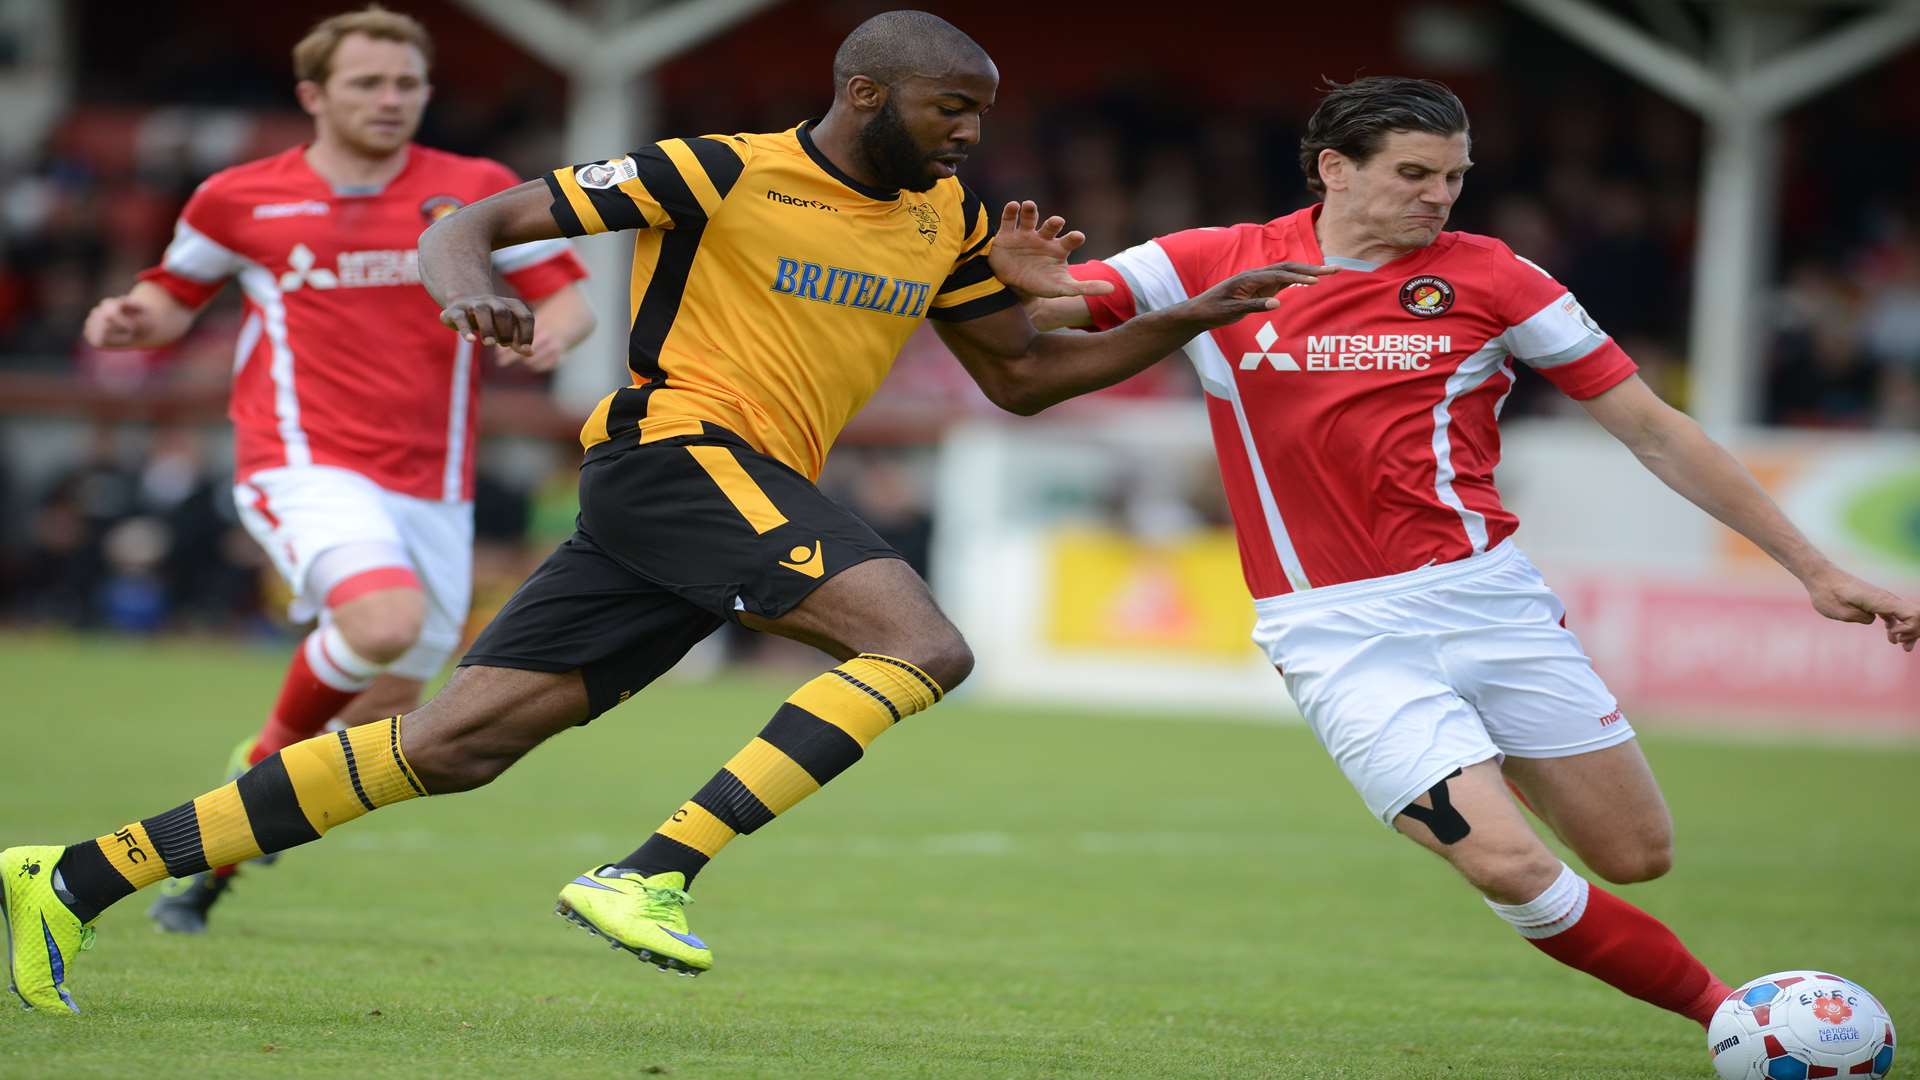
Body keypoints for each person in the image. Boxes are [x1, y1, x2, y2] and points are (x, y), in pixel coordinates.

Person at [2, 9, 1329, 1013]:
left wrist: (1179, 320)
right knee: (924, 648)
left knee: (454, 746)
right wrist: (468, 279)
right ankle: (653, 870)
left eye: (978, 112)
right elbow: (485, 218)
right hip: (676, 446)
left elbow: (1025, 376)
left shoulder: (948, 215)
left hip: (721, 488)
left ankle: (74, 875)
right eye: (948, 107)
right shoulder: (719, 169)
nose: (970, 132)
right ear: (864, 92)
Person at [989, 75, 1920, 1046]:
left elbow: (1655, 432)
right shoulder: (1218, 262)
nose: (1438, 196)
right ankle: (1733, 1019)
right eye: (1416, 173)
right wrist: (1014, 279)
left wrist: (1814, 569)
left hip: (1490, 604)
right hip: (1338, 634)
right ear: (1333, 170)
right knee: (1510, 867)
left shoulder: (1495, 276)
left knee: (1637, 853)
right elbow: (1056, 308)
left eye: (1454, 177)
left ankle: (1472, 759)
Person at [76, 6, 594, 934]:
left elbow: (568, 300)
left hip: (433, 486)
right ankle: (262, 763)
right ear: (314, 94)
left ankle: (208, 865)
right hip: (301, 460)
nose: (390, 99)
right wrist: (129, 318)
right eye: (367, 83)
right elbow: (171, 297)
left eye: (406, 83)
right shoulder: (239, 196)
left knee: (382, 723)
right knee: (381, 621)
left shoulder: (472, 188)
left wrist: (548, 335)